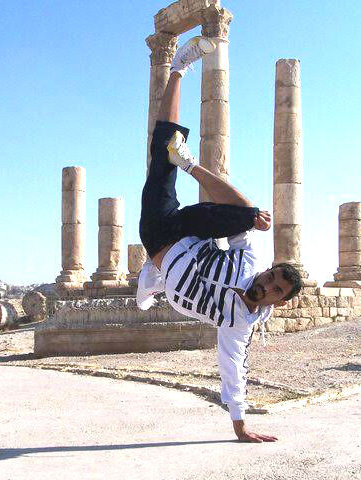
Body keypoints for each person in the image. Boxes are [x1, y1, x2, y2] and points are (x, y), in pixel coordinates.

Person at [137, 36, 303, 443]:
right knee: (249, 216)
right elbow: (240, 214)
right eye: (271, 277)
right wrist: (193, 169)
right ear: (266, 270)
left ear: (277, 301)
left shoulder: (239, 323)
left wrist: (241, 426)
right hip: (190, 230)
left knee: (159, 153)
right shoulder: (249, 264)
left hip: (159, 238)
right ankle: (186, 144)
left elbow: (233, 369)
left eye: (275, 290)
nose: (266, 285)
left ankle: (175, 71)